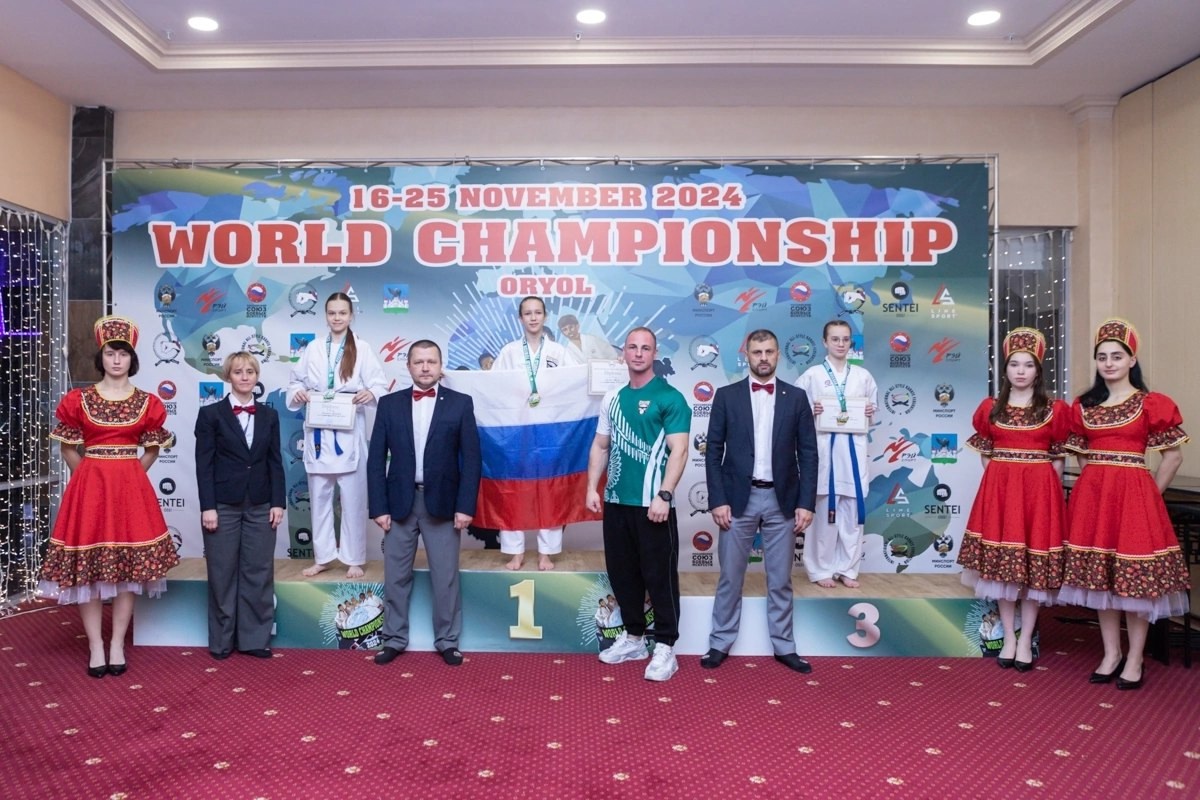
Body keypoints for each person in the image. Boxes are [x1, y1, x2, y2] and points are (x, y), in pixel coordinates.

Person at [38, 316, 179, 678]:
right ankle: (95, 646)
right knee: (88, 571)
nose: (117, 360)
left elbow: (152, 449)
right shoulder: (78, 400)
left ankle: (116, 643)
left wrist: (130, 476)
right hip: (89, 490)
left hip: (129, 492)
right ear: (101, 357)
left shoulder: (148, 403)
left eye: (124, 353)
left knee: (128, 569)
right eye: (111, 353)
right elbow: (67, 448)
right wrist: (87, 476)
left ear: (133, 359)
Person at [1060, 318, 1189, 690]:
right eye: (1102, 357)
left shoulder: (1151, 404)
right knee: (1102, 579)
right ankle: (1111, 653)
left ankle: (1135, 658)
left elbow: (1173, 457)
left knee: (1135, 581)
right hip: (1096, 499)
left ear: (1132, 360)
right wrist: (1096, 481)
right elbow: (1081, 451)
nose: (1109, 363)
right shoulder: (1085, 405)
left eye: (1117, 356)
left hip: (1134, 497)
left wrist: (1149, 494)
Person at [702, 329, 819, 673]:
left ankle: (784, 646)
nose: (763, 358)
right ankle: (719, 642)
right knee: (730, 577)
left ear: (778, 354)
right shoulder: (726, 396)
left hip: (783, 500)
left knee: (780, 579)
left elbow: (809, 454)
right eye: (757, 352)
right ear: (747, 356)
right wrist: (717, 500)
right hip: (737, 499)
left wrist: (806, 502)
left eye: (769, 351)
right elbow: (713, 452)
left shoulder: (796, 398)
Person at [956, 328, 1069, 671]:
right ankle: (1008, 636)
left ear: (1038, 370)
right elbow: (986, 454)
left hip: (1038, 494)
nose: (1021, 371)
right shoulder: (991, 408)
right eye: (1014, 364)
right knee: (1003, 572)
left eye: (1028, 365)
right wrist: (1001, 484)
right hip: (1002, 494)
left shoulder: (1054, 410)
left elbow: (1058, 459)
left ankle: (1026, 638)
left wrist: (1046, 494)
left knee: (1032, 572)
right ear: (1005, 369)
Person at [367, 340, 481, 667]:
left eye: (431, 361)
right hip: (399, 504)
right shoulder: (389, 404)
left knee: (445, 578)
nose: (426, 367)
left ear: (440, 366)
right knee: (395, 577)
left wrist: (465, 506)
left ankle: (447, 641)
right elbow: (376, 459)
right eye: (419, 362)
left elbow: (472, 459)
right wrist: (379, 507)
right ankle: (393, 639)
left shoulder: (460, 403)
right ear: (409, 366)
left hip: (444, 504)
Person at [585, 327, 690, 681]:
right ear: (624, 354)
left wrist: (665, 494)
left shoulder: (671, 397)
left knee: (659, 576)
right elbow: (601, 445)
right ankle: (633, 638)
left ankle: (666, 646)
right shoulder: (612, 398)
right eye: (632, 347)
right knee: (623, 574)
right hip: (617, 501)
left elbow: (680, 450)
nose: (639, 353)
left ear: (654, 353)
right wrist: (591, 488)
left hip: (653, 505)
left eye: (646, 348)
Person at [287, 291, 387, 579]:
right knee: (319, 499)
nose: (337, 318)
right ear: (325, 316)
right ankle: (323, 557)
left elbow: (379, 384)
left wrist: (370, 393)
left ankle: (353, 557)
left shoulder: (362, 348)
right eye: (332, 313)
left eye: (342, 313)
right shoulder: (313, 348)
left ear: (351, 315)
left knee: (353, 500)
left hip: (348, 430)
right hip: (318, 431)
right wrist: (299, 393)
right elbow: (295, 382)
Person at [195, 351, 286, 660]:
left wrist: (278, 502)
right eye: (238, 372)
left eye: (250, 371)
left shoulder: (269, 415)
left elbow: (275, 461)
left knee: (258, 571)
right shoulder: (210, 415)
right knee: (222, 573)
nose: (244, 377)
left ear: (257, 376)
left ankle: (254, 639)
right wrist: (208, 506)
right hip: (223, 505)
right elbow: (204, 465)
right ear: (228, 376)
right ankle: (222, 641)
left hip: (261, 503)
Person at [493, 296, 581, 571]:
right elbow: (491, 385)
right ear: (520, 318)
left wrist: (611, 370)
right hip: (516, 431)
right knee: (513, 490)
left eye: (538, 312)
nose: (533, 317)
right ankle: (515, 551)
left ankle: (546, 552)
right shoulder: (509, 352)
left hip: (550, 432)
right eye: (527, 313)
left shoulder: (559, 352)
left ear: (545, 316)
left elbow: (578, 380)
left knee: (549, 490)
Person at [796, 320, 878, 588]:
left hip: (853, 454)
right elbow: (794, 412)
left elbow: (871, 412)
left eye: (845, 339)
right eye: (835, 339)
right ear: (824, 342)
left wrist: (869, 411)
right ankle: (820, 569)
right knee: (823, 517)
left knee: (852, 518)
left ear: (850, 342)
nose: (841, 344)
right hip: (823, 455)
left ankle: (847, 569)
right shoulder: (811, 376)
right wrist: (811, 410)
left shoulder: (863, 376)